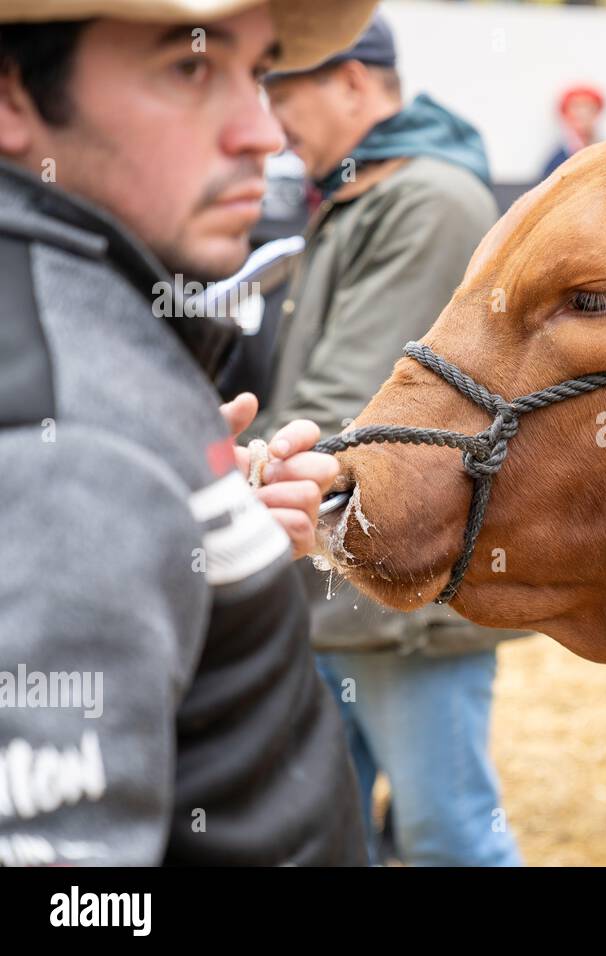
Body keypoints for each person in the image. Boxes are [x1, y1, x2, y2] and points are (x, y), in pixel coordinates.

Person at [0, 0, 378, 865]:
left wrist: (196, 529)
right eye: (190, 67)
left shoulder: (74, 337)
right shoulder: (67, 431)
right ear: (12, 94)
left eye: (258, 72)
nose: (262, 134)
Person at [257, 12, 527, 867]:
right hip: (346, 586)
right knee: (330, 838)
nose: (270, 124)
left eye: (284, 93)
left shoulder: (424, 196)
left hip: (402, 594)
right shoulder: (369, 189)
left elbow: (342, 407)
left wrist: (232, 469)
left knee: (447, 835)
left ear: (352, 81)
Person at [540, 84, 604, 181]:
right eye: (576, 107)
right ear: (566, 115)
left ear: (596, 113)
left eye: (588, 107)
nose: (583, 113)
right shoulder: (556, 160)